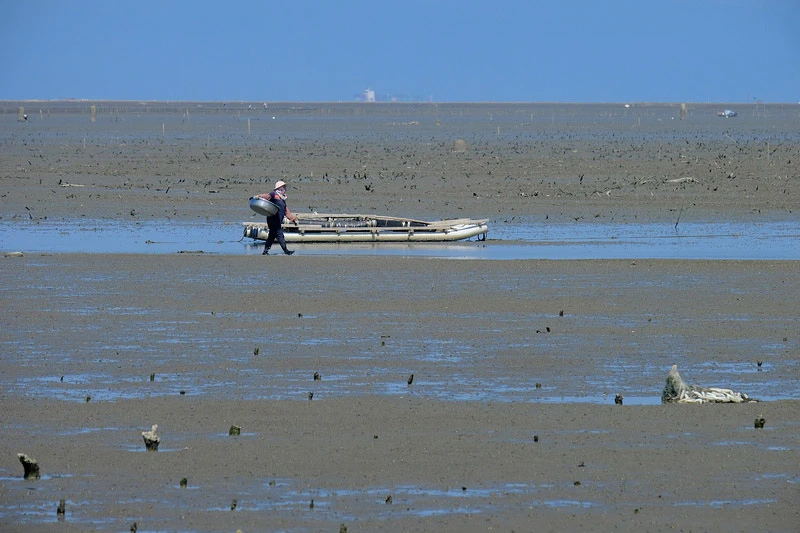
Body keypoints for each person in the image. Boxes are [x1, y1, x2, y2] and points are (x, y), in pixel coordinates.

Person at [256, 180, 298, 255]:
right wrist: (258, 196)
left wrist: (293, 219)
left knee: (272, 235)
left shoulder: (282, 200)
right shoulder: (273, 194)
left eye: (285, 188)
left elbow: (286, 212)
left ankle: (265, 251)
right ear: (279, 188)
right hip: (273, 219)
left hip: (278, 220)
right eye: (283, 187)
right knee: (279, 234)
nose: (284, 189)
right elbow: (266, 196)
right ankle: (286, 251)